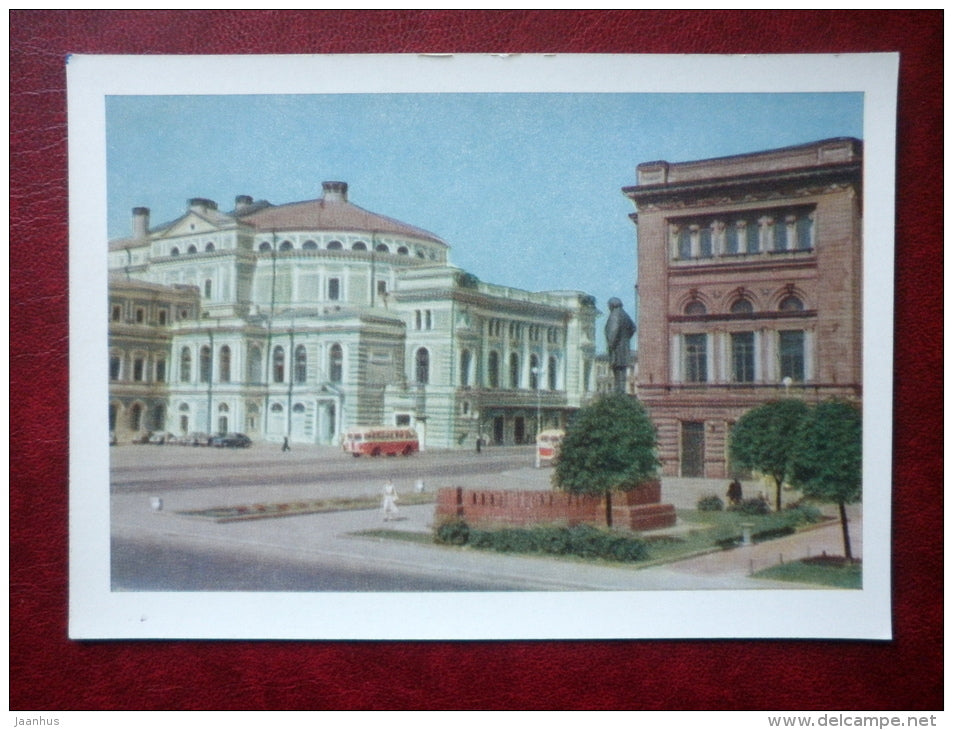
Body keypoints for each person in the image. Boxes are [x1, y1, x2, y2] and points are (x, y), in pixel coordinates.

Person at [604, 297, 636, 394]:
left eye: (609, 305)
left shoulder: (615, 314)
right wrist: (626, 339)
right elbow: (633, 328)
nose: (608, 307)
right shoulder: (625, 314)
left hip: (616, 348)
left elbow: (614, 330)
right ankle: (621, 391)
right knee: (622, 371)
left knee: (617, 371)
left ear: (612, 305)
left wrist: (611, 344)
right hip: (624, 347)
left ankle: (619, 392)